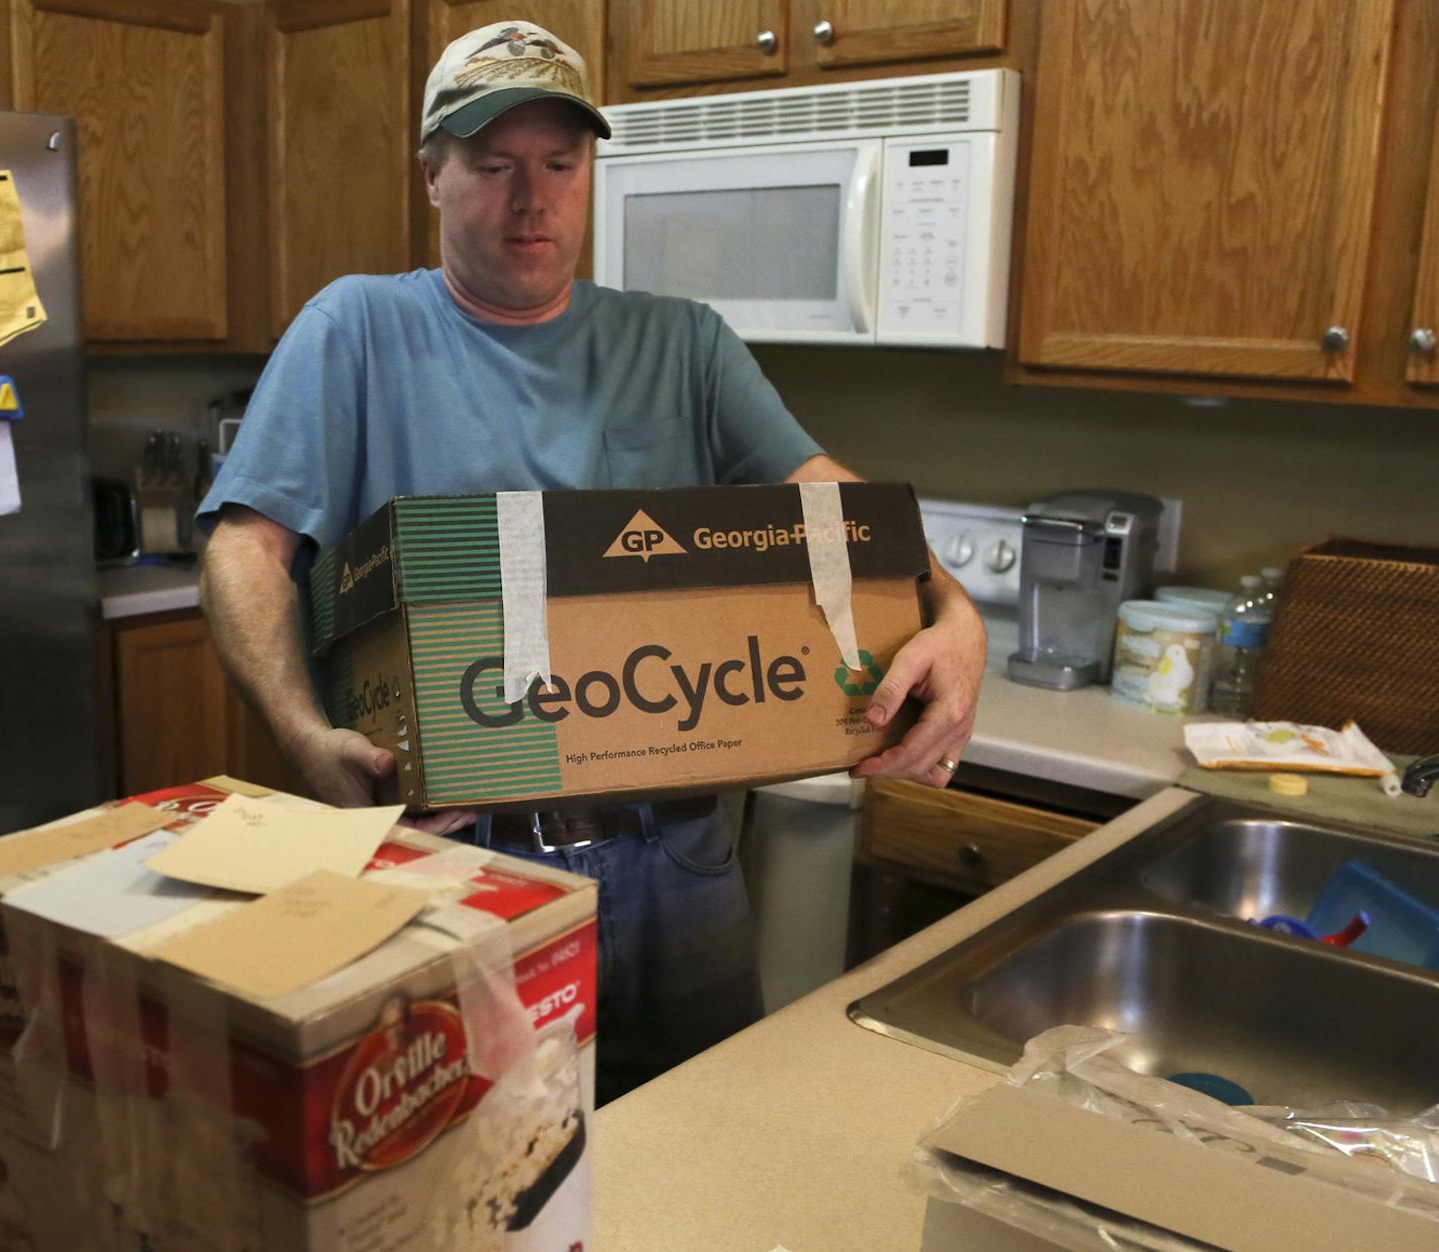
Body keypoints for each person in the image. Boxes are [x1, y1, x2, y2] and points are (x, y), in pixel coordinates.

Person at [198, 21, 986, 1102]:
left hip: (682, 855)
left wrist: (955, 611)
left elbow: (829, 502)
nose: (533, 199)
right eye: (494, 166)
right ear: (433, 176)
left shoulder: (683, 344)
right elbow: (244, 548)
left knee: (707, 1139)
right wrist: (301, 735)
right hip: (458, 859)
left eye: (560, 165)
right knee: (484, 1159)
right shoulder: (357, 330)